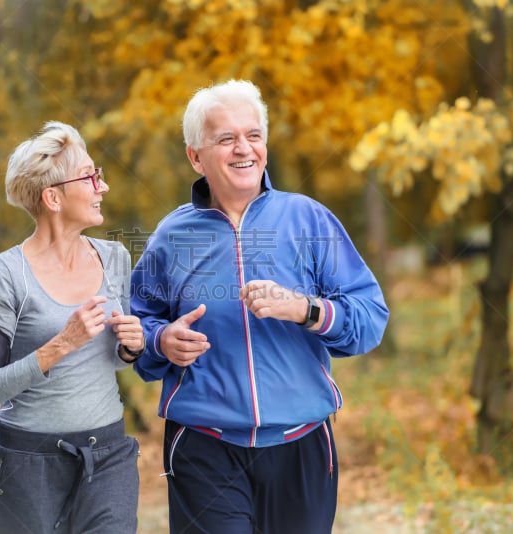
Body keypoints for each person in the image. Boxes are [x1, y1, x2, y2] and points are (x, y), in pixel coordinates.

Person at [130, 80, 390, 534]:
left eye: (253, 135)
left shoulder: (308, 220)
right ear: (196, 156)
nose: (243, 149)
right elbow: (138, 326)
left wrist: (304, 309)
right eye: (226, 139)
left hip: (302, 443)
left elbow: (370, 318)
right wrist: (161, 340)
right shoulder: (172, 237)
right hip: (204, 447)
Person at [0, 121, 143, 533]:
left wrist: (130, 348)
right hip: (28, 463)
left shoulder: (114, 258)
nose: (103, 187)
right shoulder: (7, 273)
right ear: (53, 197)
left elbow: (111, 361)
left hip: (107, 454)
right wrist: (60, 344)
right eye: (91, 176)